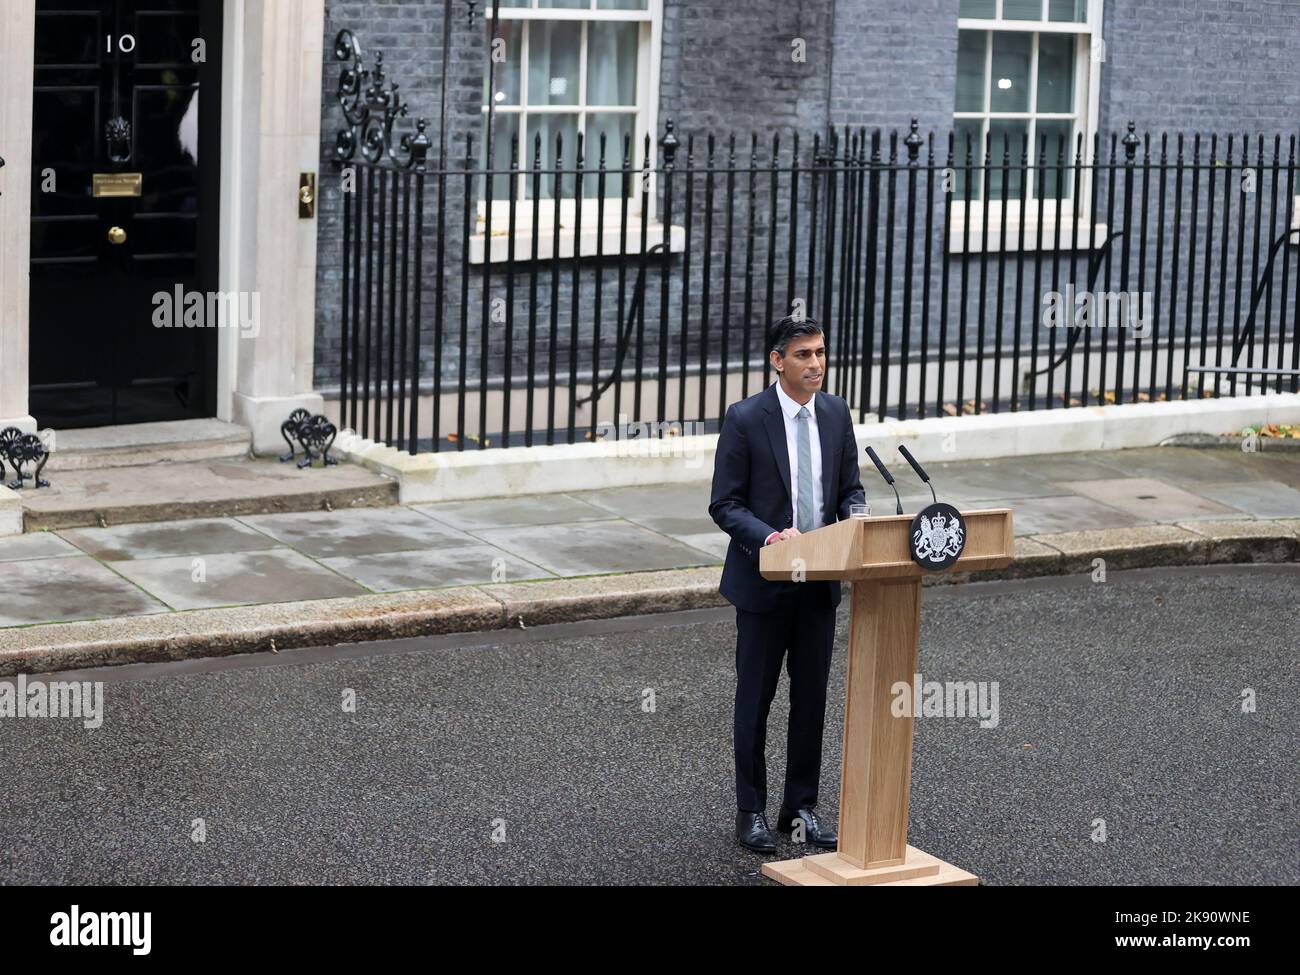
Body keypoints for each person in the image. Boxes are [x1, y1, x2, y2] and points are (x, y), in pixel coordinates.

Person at [708, 315, 865, 854]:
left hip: (818, 582)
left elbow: (850, 489)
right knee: (755, 699)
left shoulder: (838, 413)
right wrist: (772, 537)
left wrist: (857, 520)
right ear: (777, 360)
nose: (816, 364)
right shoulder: (747, 418)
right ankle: (749, 811)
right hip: (765, 582)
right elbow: (725, 504)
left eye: (820, 352)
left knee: (811, 700)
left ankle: (799, 807)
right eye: (803, 354)